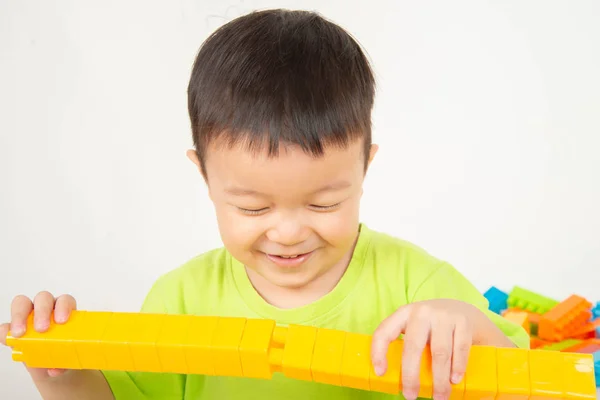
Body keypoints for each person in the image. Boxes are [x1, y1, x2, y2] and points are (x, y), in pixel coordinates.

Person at [0, 8, 528, 400]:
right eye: (253, 208)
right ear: (204, 176)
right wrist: (65, 374)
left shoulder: (417, 284)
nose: (289, 231)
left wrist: (466, 324)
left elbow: (525, 382)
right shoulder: (182, 298)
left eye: (324, 203)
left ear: (365, 168)